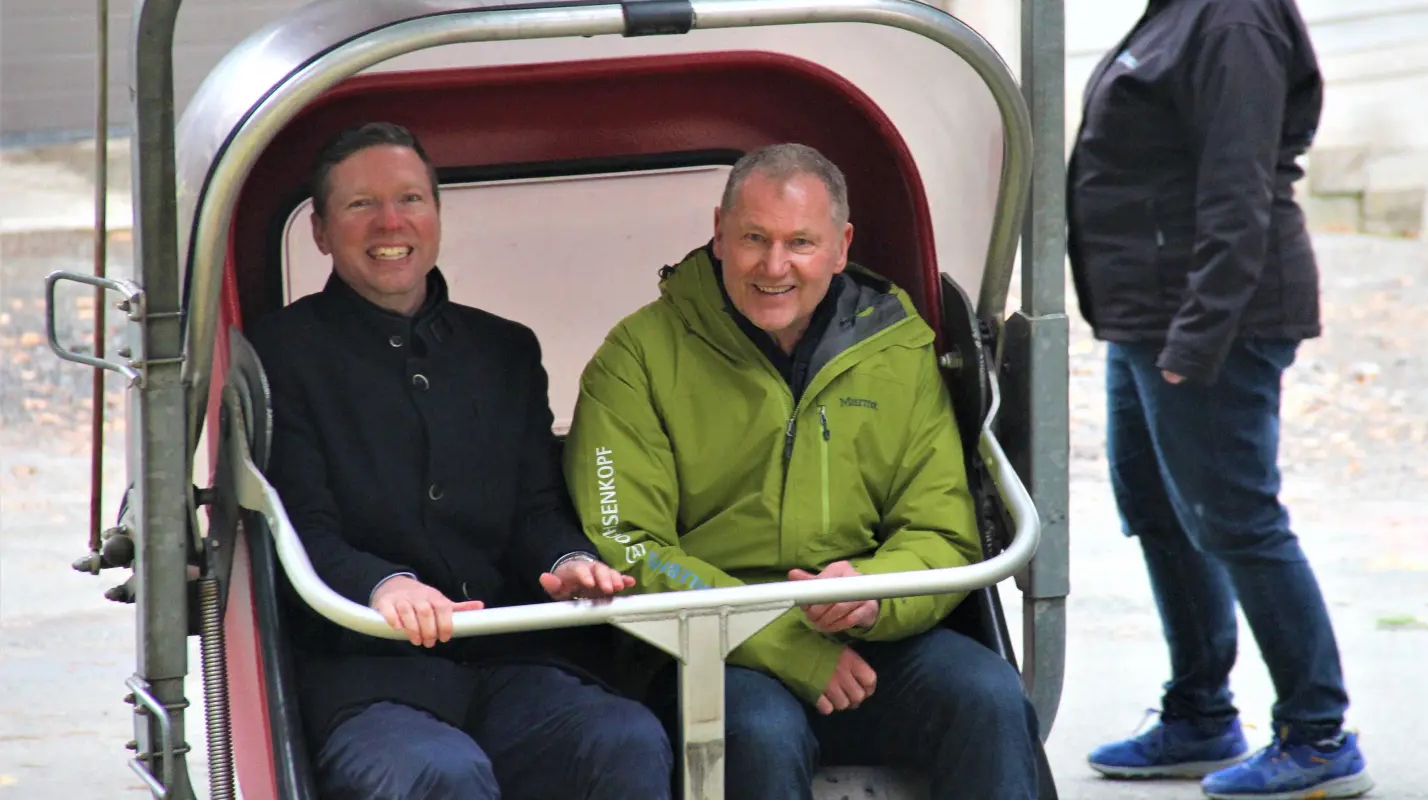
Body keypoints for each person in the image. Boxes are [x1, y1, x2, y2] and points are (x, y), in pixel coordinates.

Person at [562, 143, 1041, 799]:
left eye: (801, 243)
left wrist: (875, 588)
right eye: (754, 238)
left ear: (841, 247)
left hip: (869, 637)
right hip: (712, 646)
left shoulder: (898, 349)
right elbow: (629, 544)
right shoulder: (637, 356)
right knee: (757, 732)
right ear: (719, 233)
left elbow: (943, 531)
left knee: (990, 696)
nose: (775, 265)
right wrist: (785, 643)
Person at [247, 122, 672, 800]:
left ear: (437, 216)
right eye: (361, 205)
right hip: (368, 681)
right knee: (441, 774)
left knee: (623, 740)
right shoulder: (279, 356)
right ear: (322, 232)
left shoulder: (504, 352)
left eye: (410, 199)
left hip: (507, 663)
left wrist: (568, 563)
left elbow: (535, 509)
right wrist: (387, 586)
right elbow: (301, 527)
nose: (391, 221)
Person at [1066, 0, 1375, 799]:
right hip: (1144, 314)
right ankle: (1200, 713)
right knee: (1160, 509)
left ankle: (1318, 735)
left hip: (1209, 318)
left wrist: (1196, 339)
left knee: (1237, 518)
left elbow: (1237, 195)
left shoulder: (1234, 12)